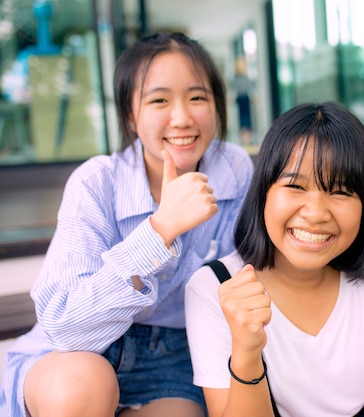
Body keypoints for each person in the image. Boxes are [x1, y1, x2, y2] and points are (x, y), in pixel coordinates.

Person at [0, 32, 253, 417]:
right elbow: (65, 326)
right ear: (131, 115)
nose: (182, 117)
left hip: (169, 363)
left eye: (198, 97)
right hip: (79, 354)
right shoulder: (97, 182)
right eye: (160, 100)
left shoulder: (233, 171)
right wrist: (159, 231)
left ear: (217, 105)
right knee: (81, 387)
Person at [185, 102, 364, 417]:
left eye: (340, 191)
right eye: (295, 186)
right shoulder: (215, 289)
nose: (315, 214)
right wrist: (245, 350)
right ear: (264, 192)